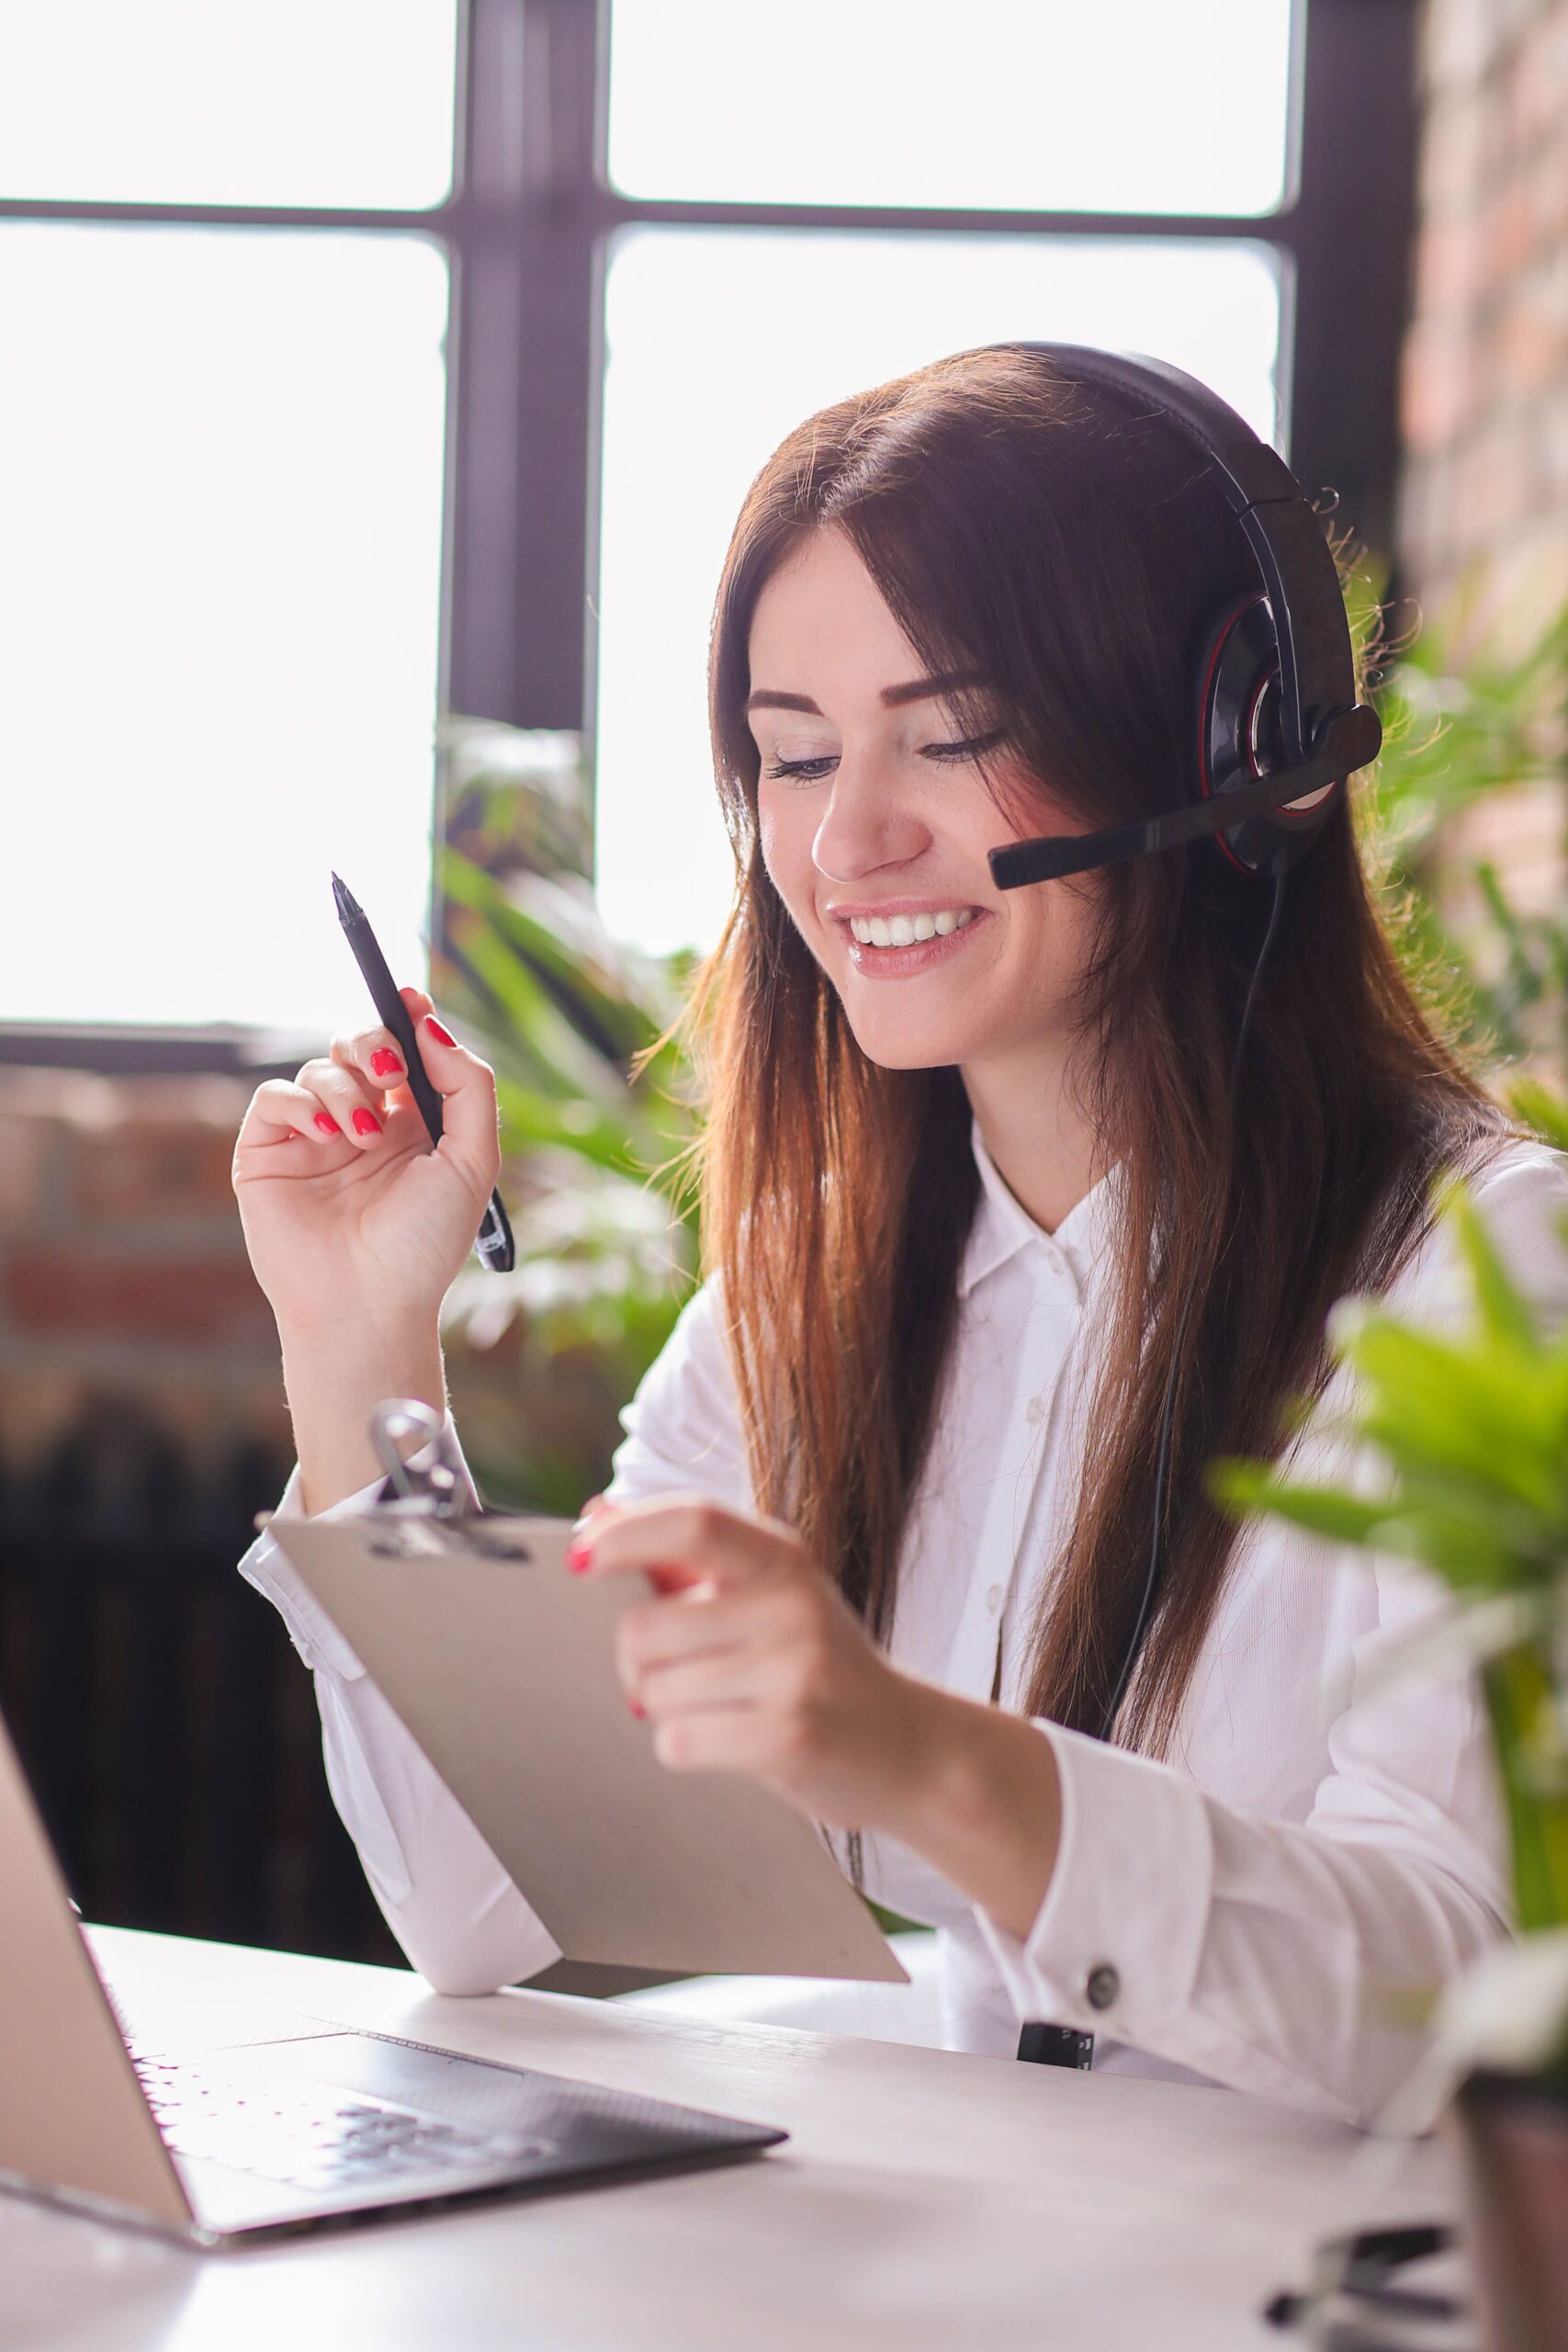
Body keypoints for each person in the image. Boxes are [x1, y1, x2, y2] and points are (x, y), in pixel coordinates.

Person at [234, 346, 1568, 2128]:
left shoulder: (1487, 1273)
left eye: (949, 737)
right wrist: (358, 1349)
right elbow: (509, 1908)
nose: (846, 838)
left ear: (1239, 755)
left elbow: (1452, 1999)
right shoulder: (805, 1279)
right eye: (790, 756)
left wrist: (929, 1760)